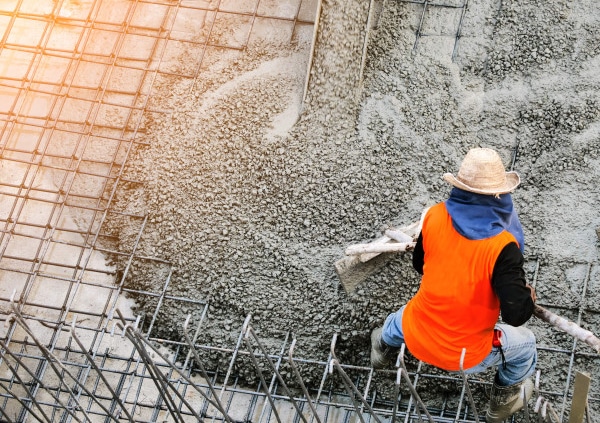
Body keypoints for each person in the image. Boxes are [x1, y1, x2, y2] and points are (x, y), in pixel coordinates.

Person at [370, 147, 537, 422]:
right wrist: (526, 294)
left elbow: (419, 264)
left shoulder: (435, 215)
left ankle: (382, 350)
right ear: (500, 196)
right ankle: (503, 400)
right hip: (464, 354)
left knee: (402, 317)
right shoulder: (503, 247)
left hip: (416, 330)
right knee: (527, 345)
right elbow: (516, 315)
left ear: (459, 188)